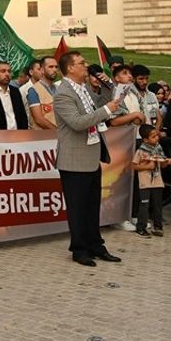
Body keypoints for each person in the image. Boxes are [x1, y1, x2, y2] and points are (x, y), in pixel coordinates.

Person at [52, 51, 121, 266]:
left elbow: (101, 103)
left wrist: (107, 86)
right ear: (70, 68)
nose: (86, 66)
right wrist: (105, 110)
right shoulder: (63, 93)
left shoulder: (83, 89)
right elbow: (78, 122)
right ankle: (79, 249)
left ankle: (95, 245)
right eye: (82, 63)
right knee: (78, 207)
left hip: (91, 156)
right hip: (74, 159)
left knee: (92, 206)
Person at [132, 125, 171, 237]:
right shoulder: (141, 151)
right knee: (144, 204)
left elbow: (163, 165)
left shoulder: (158, 148)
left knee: (157, 205)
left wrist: (166, 162)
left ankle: (157, 226)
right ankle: (141, 227)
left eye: (157, 136)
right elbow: (134, 166)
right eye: (153, 137)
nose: (157, 138)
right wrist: (147, 167)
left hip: (157, 181)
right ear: (145, 139)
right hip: (145, 182)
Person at [0, 61, 28, 130]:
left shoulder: (15, 91)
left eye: (9, 71)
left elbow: (22, 116)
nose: (7, 74)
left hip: (18, 134)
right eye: (3, 71)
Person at [24, 57, 57, 130]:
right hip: (43, 137)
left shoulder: (59, 88)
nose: (54, 70)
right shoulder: (33, 90)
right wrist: (57, 131)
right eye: (50, 67)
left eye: (56, 67)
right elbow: (39, 119)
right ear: (42, 70)